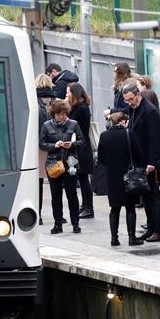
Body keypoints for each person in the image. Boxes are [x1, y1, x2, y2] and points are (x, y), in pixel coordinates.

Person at [122, 83, 160, 242]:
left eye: (131, 99)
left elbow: (155, 139)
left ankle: (158, 230)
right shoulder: (133, 109)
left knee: (153, 196)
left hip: (150, 162)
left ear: (138, 94)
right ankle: (150, 227)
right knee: (146, 196)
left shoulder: (150, 111)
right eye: (127, 100)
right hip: (139, 160)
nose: (129, 102)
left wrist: (152, 162)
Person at [97, 113, 145, 247]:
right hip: (129, 176)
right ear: (123, 121)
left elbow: (101, 158)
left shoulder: (104, 135)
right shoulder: (129, 134)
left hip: (112, 176)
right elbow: (139, 153)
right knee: (130, 208)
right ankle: (131, 238)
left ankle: (114, 238)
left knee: (114, 208)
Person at [39, 100, 84, 235]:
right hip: (53, 164)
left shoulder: (73, 124)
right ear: (54, 114)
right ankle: (57, 223)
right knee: (56, 195)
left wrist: (72, 144)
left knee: (72, 195)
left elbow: (82, 141)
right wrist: (54, 146)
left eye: (64, 114)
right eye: (59, 114)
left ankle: (75, 223)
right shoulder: (47, 126)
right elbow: (41, 143)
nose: (62, 117)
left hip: (70, 163)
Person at [67, 82, 95, 219]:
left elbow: (70, 123)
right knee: (82, 177)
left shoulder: (81, 109)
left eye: (68, 93)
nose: (66, 95)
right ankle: (85, 205)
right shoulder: (79, 107)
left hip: (81, 147)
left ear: (74, 94)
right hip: (81, 145)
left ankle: (88, 207)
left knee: (84, 178)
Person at [35, 74, 57, 225]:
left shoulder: (31, 101)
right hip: (54, 146)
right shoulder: (55, 101)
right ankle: (58, 216)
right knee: (56, 181)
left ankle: (39, 213)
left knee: (37, 184)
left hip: (37, 147)